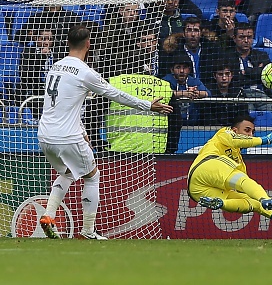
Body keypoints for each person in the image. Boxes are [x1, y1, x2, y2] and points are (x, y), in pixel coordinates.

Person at [37, 25, 172, 240]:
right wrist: (148, 105)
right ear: (89, 44)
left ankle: (48, 215)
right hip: (66, 137)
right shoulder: (85, 72)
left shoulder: (55, 66)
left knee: (67, 173)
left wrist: (81, 129)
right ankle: (88, 230)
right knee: (92, 177)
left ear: (67, 43)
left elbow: (63, 106)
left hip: (45, 135)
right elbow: (115, 94)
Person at [188, 114, 272, 226]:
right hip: (206, 165)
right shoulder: (224, 133)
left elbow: (247, 192)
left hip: (198, 192)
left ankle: (222, 203)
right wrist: (265, 140)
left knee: (252, 203)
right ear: (234, 130)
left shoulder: (239, 163)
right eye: (247, 130)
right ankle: (266, 199)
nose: (250, 135)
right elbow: (235, 140)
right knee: (244, 182)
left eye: (252, 132)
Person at [162, 54, 210, 153]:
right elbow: (161, 94)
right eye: (178, 67)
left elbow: (207, 93)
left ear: (189, 69)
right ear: (172, 70)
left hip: (192, 125)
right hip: (171, 127)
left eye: (185, 68)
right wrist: (182, 94)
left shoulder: (193, 81)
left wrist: (196, 93)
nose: (182, 71)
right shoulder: (166, 80)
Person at [202, 60, 249, 126]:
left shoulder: (239, 92)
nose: (224, 78)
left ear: (232, 75)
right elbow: (206, 117)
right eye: (220, 74)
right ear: (214, 76)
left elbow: (243, 115)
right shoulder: (207, 91)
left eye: (227, 74)